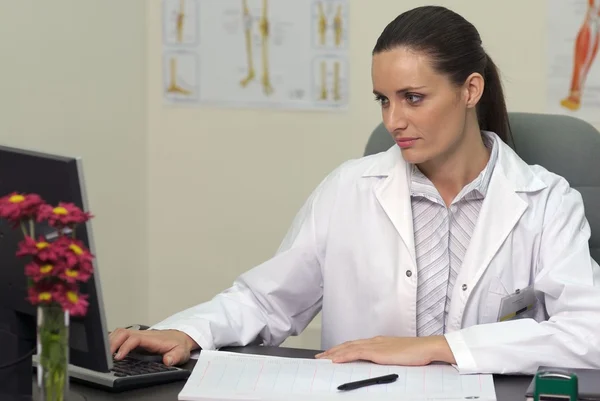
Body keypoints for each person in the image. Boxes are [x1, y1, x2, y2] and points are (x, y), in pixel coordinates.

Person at [110, 5, 600, 375]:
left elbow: (589, 333)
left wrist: (438, 347)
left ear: (470, 91)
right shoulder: (349, 188)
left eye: (413, 98)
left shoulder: (546, 201)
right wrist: (189, 330)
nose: (394, 121)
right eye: (383, 100)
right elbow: (267, 300)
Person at [561, 0, 600, 111]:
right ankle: (574, 92)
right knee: (580, 60)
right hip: (591, 25)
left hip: (593, 26)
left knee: (584, 61)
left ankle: (576, 94)